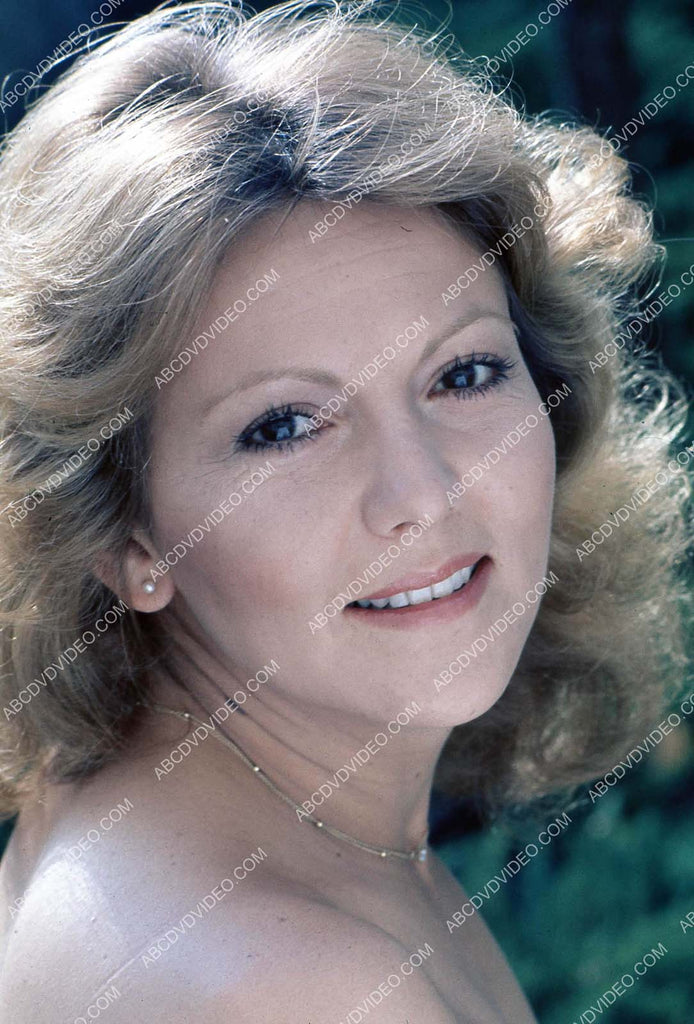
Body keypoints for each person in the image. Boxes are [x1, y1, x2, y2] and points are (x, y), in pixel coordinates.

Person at [0, 1, 691, 1020]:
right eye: (285, 427)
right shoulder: (313, 984)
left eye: (462, 373)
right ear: (122, 534)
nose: (422, 493)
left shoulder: (141, 816)